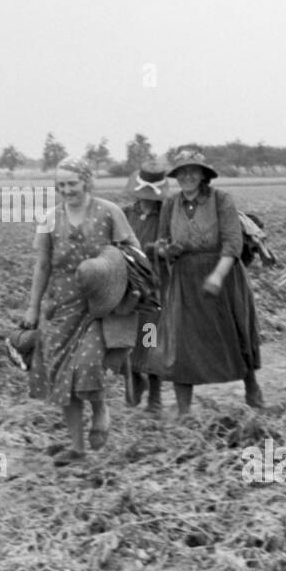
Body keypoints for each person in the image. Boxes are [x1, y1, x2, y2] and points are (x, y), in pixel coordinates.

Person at [22, 158, 140, 465]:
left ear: (86, 181)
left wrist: (118, 282)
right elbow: (43, 265)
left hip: (99, 305)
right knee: (62, 379)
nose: (66, 190)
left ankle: (100, 409)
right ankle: (77, 447)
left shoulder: (109, 212)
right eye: (61, 185)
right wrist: (33, 307)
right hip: (60, 306)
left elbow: (133, 254)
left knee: (87, 365)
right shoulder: (50, 218)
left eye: (72, 183)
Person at [147, 150, 264, 422]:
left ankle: (252, 391)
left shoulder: (220, 200)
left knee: (234, 334)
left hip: (222, 274)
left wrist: (217, 276)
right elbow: (161, 241)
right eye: (182, 172)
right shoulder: (170, 204)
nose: (187, 176)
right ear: (176, 176)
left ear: (203, 175)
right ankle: (185, 411)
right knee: (181, 341)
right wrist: (166, 251)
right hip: (185, 279)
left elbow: (233, 243)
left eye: (193, 171)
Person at [119, 161, 168, 416]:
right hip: (127, 290)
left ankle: (156, 398)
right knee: (126, 340)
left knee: (150, 342)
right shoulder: (126, 215)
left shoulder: (166, 218)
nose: (147, 200)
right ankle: (136, 378)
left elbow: (173, 248)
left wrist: (159, 250)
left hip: (154, 291)